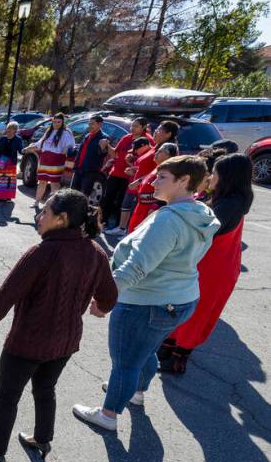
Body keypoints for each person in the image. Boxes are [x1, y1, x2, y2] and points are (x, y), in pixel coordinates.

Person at [0, 190, 117, 462]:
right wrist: (98, 306)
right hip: (65, 342)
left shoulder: (41, 253)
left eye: (45, 212)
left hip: (27, 344)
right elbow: (109, 297)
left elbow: (2, 300)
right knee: (45, 389)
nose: (38, 217)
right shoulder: (96, 253)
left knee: (7, 397)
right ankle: (42, 439)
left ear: (62, 219)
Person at [73, 156, 220, 432]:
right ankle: (136, 392)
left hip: (147, 300)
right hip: (179, 298)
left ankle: (108, 414)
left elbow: (136, 268)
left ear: (184, 181)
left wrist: (105, 300)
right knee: (146, 351)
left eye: (162, 177)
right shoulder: (200, 213)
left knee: (125, 362)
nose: (154, 181)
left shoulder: (168, 220)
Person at [158, 153, 253, 374]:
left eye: (215, 172)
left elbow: (200, 230)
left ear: (227, 176)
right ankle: (168, 347)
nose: (211, 176)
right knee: (181, 307)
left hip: (212, 270)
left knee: (195, 313)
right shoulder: (227, 198)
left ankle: (179, 357)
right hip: (212, 265)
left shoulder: (230, 205)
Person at [101, 117, 152, 228]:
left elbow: (148, 161)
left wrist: (131, 165)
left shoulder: (147, 140)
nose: (132, 128)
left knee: (122, 202)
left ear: (143, 127)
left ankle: (119, 226)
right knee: (107, 198)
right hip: (115, 173)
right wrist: (107, 145)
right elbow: (115, 154)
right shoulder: (126, 138)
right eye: (132, 125)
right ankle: (103, 223)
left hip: (130, 177)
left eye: (136, 126)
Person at [25, 112, 75, 207]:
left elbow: (71, 145)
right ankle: (36, 201)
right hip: (44, 160)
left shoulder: (66, 133)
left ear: (62, 122)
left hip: (56, 160)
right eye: (54, 122)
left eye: (58, 122)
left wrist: (67, 149)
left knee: (54, 183)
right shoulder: (49, 131)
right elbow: (40, 144)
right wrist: (29, 148)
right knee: (42, 182)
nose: (56, 124)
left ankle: (51, 205)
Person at [127, 142, 178, 233]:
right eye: (157, 150)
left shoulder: (168, 173)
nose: (156, 153)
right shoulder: (158, 168)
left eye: (160, 151)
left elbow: (167, 195)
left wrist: (154, 209)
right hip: (140, 209)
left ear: (169, 156)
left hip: (149, 214)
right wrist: (139, 182)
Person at [108, 137, 155, 236]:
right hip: (133, 184)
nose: (135, 151)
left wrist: (136, 173)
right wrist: (131, 168)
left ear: (144, 146)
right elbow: (140, 168)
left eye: (136, 149)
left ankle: (129, 233)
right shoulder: (142, 155)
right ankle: (122, 228)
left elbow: (153, 171)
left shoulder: (152, 153)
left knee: (135, 211)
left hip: (142, 187)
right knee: (125, 206)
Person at [70, 115, 111, 198]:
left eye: (92, 124)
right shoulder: (87, 136)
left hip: (90, 171)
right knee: (72, 193)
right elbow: (82, 151)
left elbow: (103, 154)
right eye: (89, 124)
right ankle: (72, 210)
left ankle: (82, 210)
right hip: (79, 168)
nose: (89, 126)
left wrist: (103, 148)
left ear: (100, 125)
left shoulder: (104, 138)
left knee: (84, 194)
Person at [0, 122, 25, 202]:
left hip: (11, 162)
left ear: (15, 130)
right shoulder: (2, 138)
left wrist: (26, 150)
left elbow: (21, 150)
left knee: (9, 180)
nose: (8, 130)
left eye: (11, 128)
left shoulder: (18, 139)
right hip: (1, 160)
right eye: (8, 128)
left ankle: (7, 196)